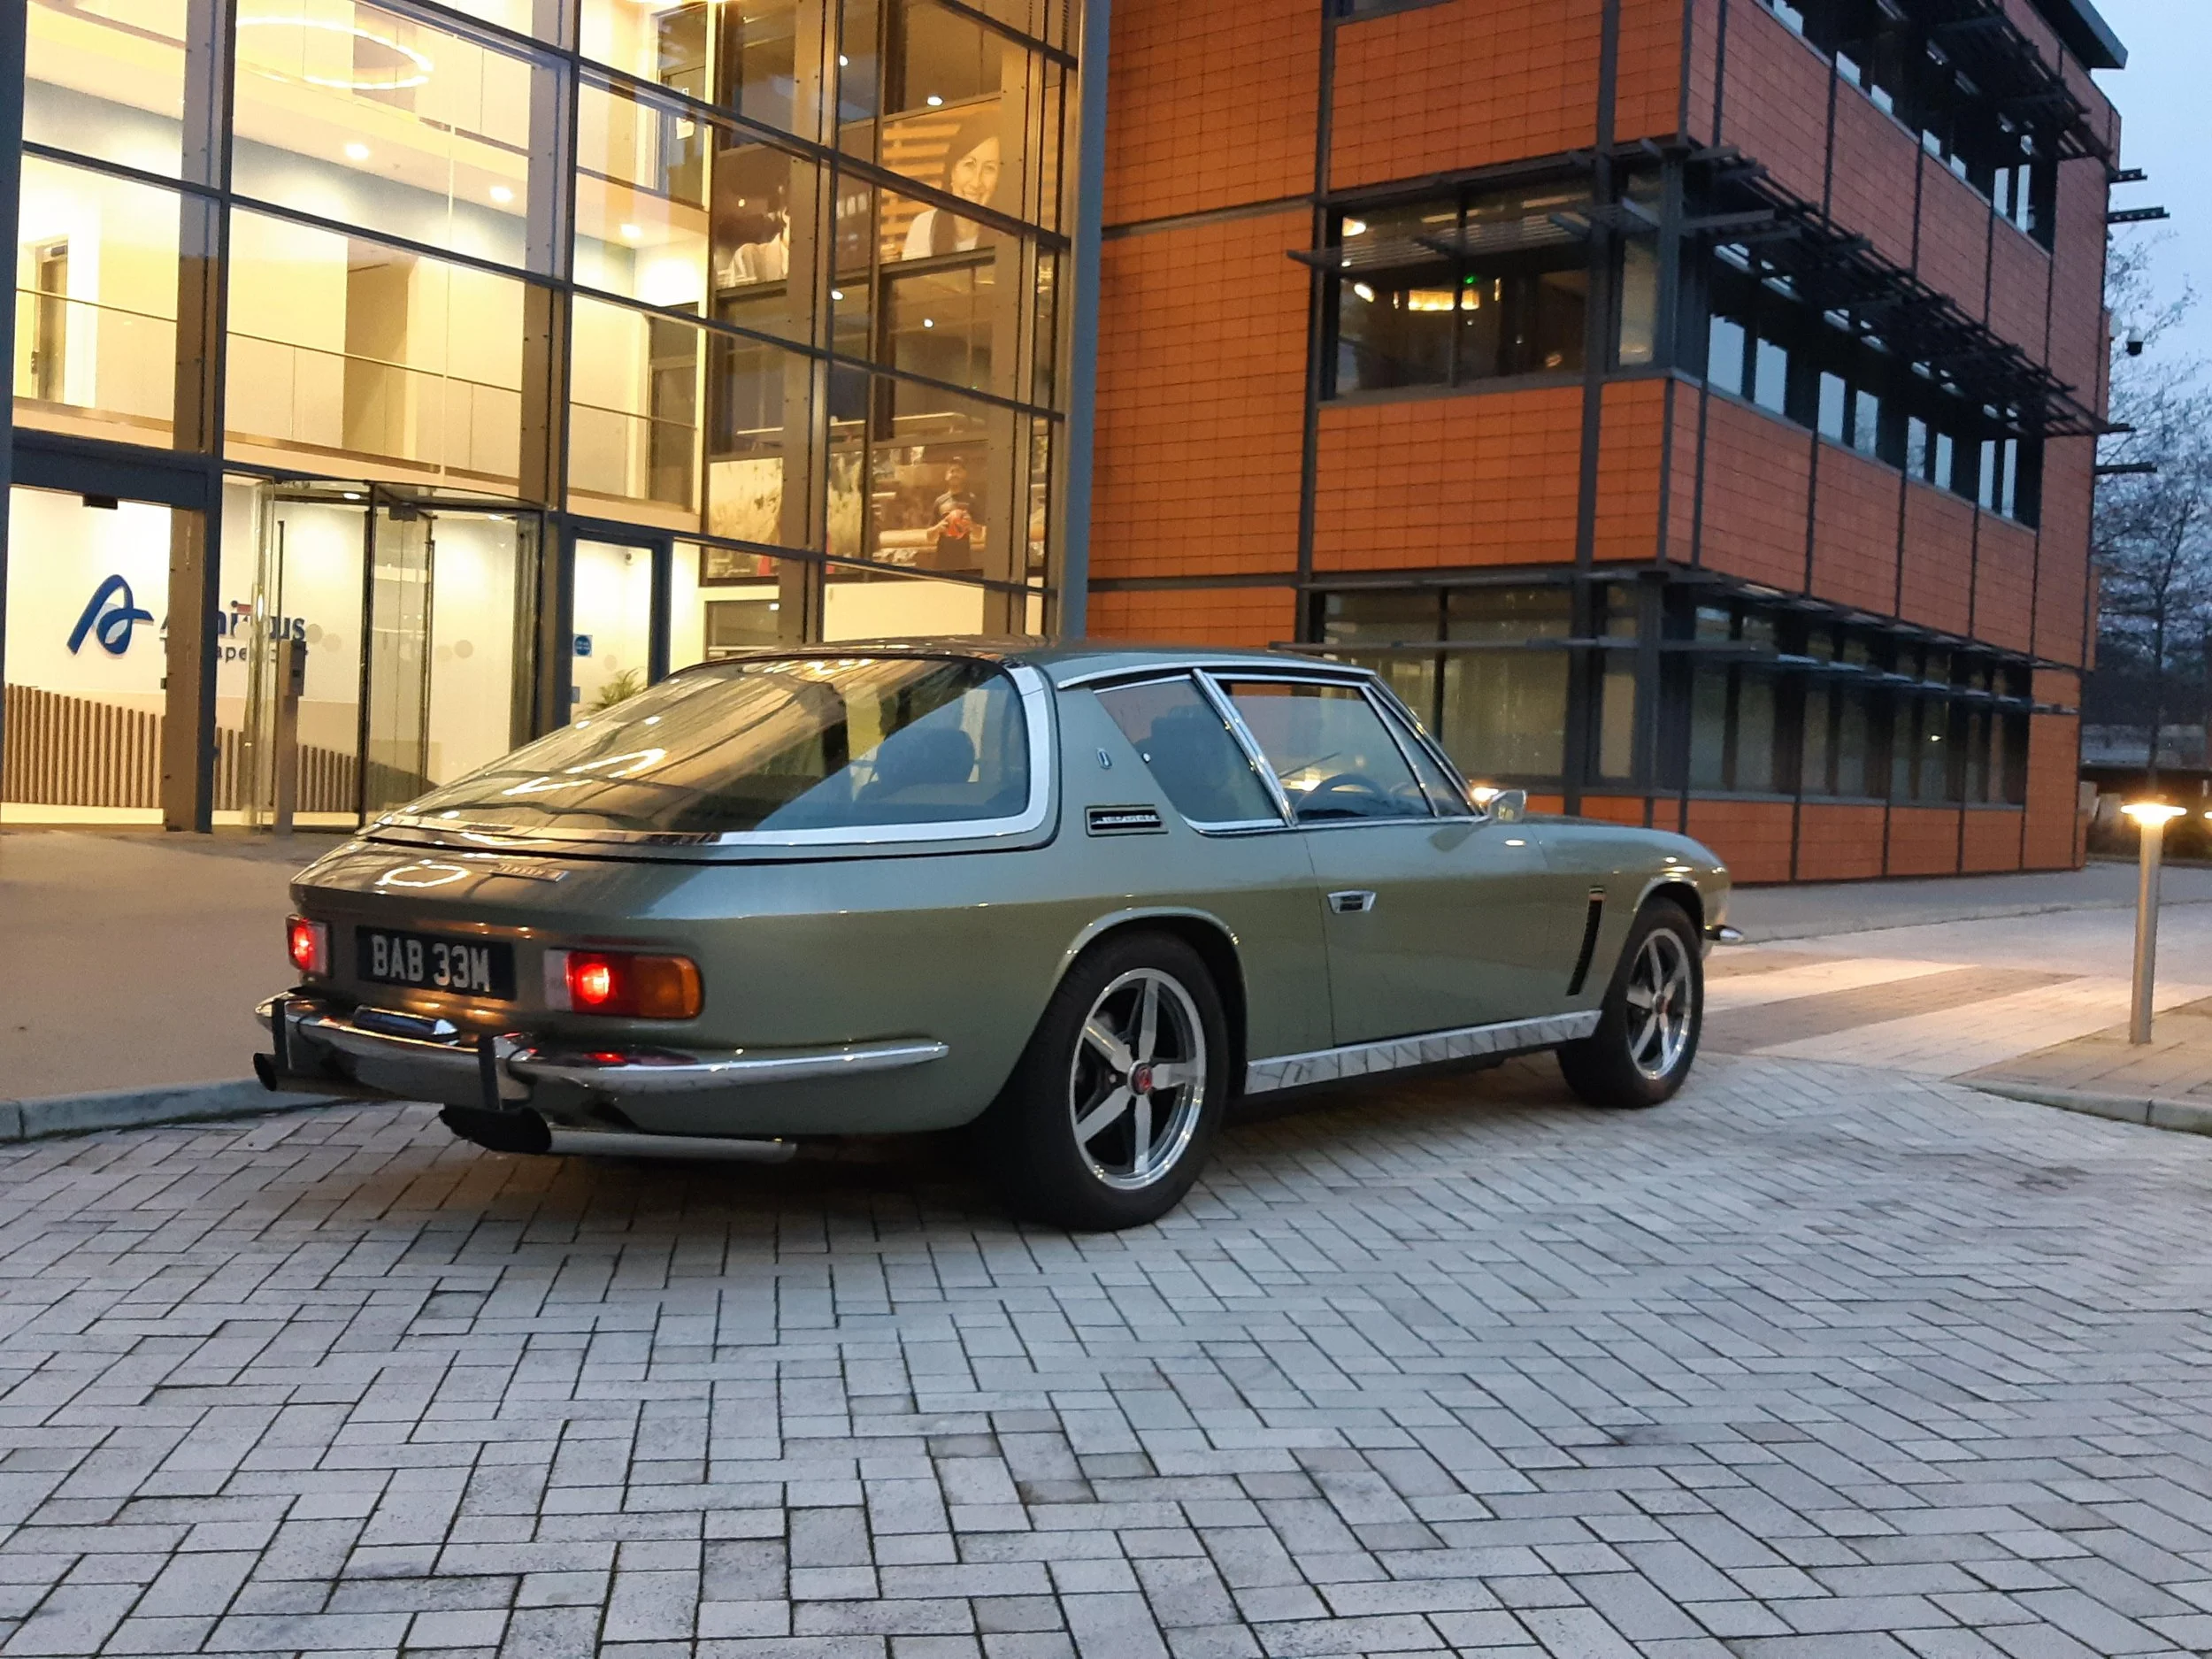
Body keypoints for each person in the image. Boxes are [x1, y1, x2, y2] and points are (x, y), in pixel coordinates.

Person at [902, 111, 1002, 260]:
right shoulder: (924, 227)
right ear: (952, 171)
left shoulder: (1008, 236)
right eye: (969, 165)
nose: (976, 182)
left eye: (989, 169)